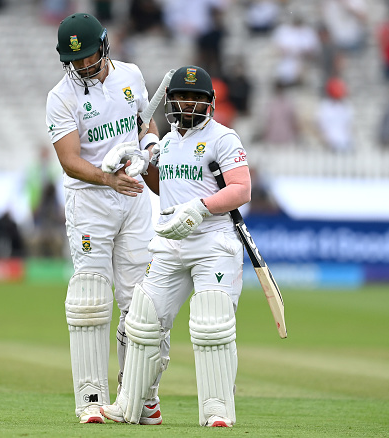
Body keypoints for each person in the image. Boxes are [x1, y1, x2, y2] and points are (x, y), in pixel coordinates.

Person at [100, 66, 251, 427]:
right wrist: (140, 164)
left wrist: (201, 208)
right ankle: (136, 405)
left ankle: (217, 410)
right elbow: (165, 186)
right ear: (170, 101)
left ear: (209, 103)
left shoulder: (223, 138)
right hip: (171, 241)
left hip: (213, 242)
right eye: (182, 96)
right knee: (143, 321)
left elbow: (241, 188)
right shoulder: (167, 142)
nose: (188, 103)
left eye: (196, 98)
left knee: (211, 323)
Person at [45, 12, 161, 424]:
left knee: (139, 300)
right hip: (91, 201)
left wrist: (151, 146)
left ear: (105, 46)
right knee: (91, 299)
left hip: (133, 197)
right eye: (73, 61)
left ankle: (138, 397)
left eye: (88, 57)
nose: (81, 66)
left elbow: (145, 122)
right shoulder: (61, 97)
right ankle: (91, 398)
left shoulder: (130, 75)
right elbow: (69, 160)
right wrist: (108, 179)